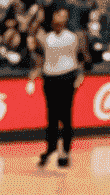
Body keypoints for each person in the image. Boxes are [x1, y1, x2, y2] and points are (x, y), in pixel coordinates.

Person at [28, 3, 85, 168]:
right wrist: (36, 73)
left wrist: (79, 75)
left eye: (62, 15)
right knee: (52, 117)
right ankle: (51, 147)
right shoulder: (47, 38)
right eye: (57, 14)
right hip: (50, 78)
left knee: (65, 117)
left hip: (67, 77)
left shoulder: (73, 37)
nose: (60, 17)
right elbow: (43, 58)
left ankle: (65, 152)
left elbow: (81, 58)